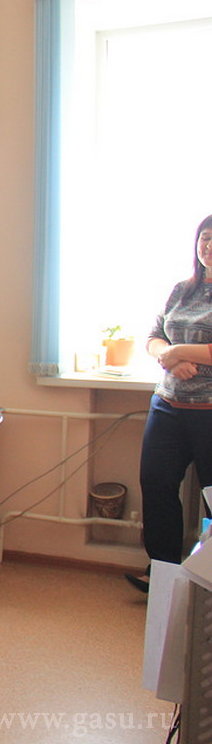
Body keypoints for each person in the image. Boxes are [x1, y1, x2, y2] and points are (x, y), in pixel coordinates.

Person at [127, 214, 212, 593]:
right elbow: (153, 336)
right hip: (168, 406)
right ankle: (162, 574)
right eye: (204, 238)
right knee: (157, 485)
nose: (208, 246)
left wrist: (178, 351)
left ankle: (206, 583)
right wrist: (169, 358)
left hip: (209, 412)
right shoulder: (182, 289)